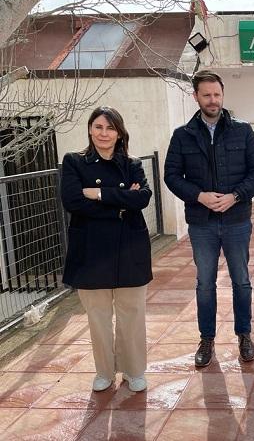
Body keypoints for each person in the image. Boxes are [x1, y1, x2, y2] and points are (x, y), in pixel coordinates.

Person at [164, 70, 254, 367]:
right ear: (196, 97)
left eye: (217, 94)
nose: (213, 100)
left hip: (236, 220)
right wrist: (199, 196)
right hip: (201, 222)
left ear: (223, 95)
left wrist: (235, 195)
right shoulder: (182, 135)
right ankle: (206, 339)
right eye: (206, 95)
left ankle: (244, 335)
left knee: (242, 281)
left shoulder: (242, 130)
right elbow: (172, 176)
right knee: (205, 283)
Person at [61, 106, 153, 392]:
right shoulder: (74, 161)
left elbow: (143, 199)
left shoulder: (133, 163)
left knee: (132, 315)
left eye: (110, 128)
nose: (104, 133)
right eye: (98, 127)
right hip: (91, 251)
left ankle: (134, 370)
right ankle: (104, 371)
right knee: (98, 318)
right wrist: (122, 202)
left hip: (130, 249)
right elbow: (73, 202)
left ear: (119, 132)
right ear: (90, 129)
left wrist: (99, 194)